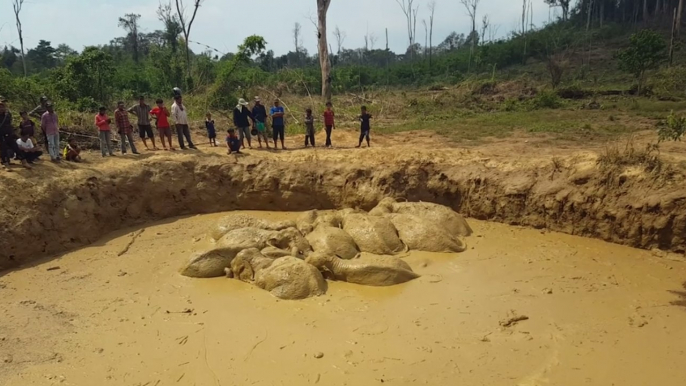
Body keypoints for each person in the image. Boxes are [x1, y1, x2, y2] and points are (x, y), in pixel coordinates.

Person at [0, 101, 21, 170]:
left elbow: (10, 123)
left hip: (9, 133)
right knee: (3, 149)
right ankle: (5, 163)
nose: (1, 108)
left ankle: (23, 161)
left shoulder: (8, 115)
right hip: (1, 135)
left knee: (14, 146)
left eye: (2, 106)